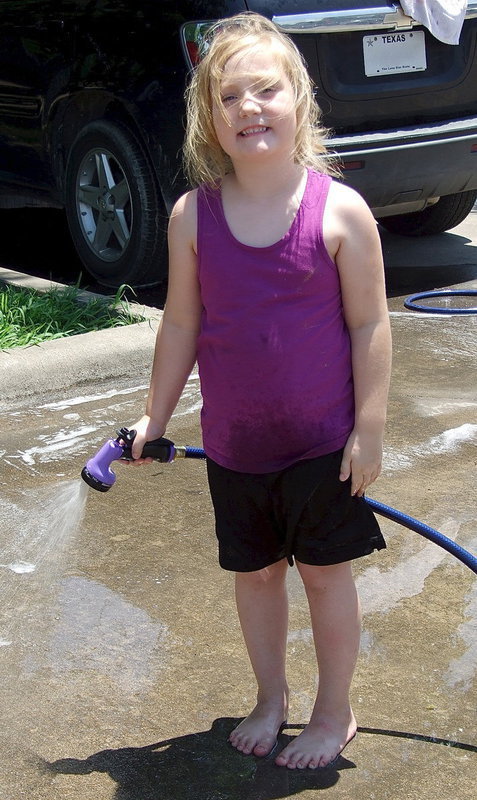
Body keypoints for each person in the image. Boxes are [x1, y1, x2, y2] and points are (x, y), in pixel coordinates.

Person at [127, 12, 392, 770]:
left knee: (322, 575)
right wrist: (156, 414)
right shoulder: (192, 217)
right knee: (256, 577)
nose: (248, 107)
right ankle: (269, 695)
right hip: (236, 446)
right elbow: (180, 325)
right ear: (208, 120)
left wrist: (367, 431)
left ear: (299, 100)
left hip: (319, 442)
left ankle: (333, 707)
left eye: (265, 90)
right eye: (228, 96)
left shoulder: (339, 212)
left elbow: (371, 324)